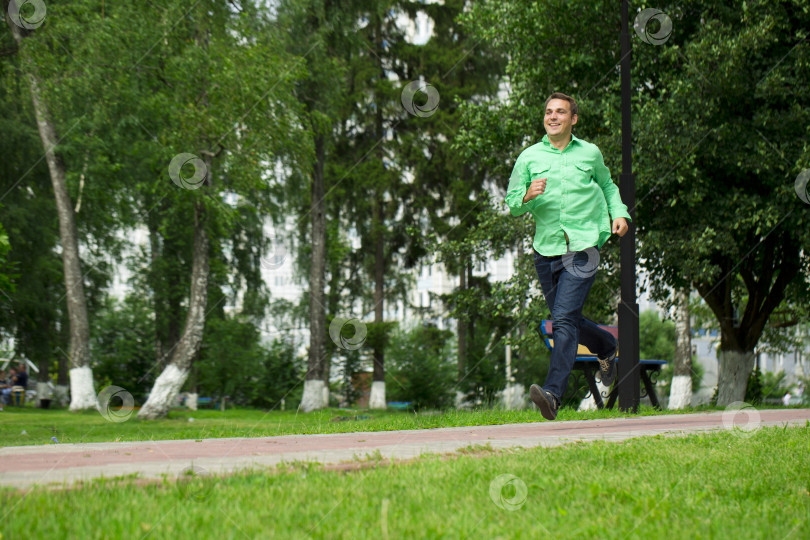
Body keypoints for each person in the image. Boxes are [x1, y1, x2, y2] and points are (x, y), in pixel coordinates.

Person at [505, 92, 631, 420]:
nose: (553, 116)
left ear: (573, 119)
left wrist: (619, 214)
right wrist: (527, 196)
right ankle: (605, 346)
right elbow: (513, 202)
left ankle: (552, 394)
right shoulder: (529, 158)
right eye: (548, 112)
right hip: (546, 249)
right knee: (567, 318)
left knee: (562, 319)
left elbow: (608, 186)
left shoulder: (590, 153)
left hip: (584, 246)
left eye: (560, 112)